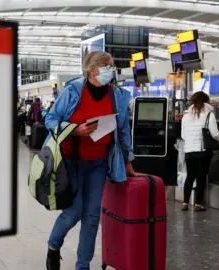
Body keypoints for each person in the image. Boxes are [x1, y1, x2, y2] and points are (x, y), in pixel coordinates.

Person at [44, 51, 136, 270]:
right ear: (93, 70)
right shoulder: (74, 90)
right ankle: (53, 246)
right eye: (108, 66)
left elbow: (123, 130)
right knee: (74, 212)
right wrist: (76, 130)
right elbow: (50, 119)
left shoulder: (117, 96)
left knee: (92, 217)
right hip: (71, 161)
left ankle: (82, 266)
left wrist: (128, 161)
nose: (111, 71)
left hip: (99, 161)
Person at [181, 92, 219, 211]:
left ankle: (185, 203)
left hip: (189, 151)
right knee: (201, 176)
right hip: (202, 151)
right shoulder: (208, 115)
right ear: (206, 102)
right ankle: (198, 204)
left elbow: (183, 135)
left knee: (190, 176)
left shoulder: (185, 116)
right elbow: (215, 134)